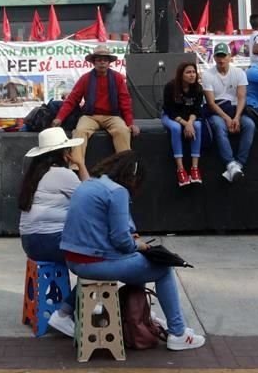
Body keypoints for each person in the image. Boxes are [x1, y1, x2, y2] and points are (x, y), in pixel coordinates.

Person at [60, 151, 206, 350]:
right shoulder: (117, 191)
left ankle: (63, 312)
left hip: (74, 261)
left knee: (138, 264)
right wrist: (139, 245)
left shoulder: (88, 184)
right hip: (95, 264)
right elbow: (122, 240)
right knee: (163, 270)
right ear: (134, 177)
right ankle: (178, 333)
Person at [18, 127, 88, 337]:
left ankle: (79, 306)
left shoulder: (35, 174)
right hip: (49, 242)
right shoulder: (63, 174)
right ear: (64, 153)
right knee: (98, 264)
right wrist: (81, 164)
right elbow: (92, 196)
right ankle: (65, 313)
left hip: (30, 242)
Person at [51, 44, 138, 165]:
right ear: (94, 62)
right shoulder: (85, 78)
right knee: (79, 131)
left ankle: (125, 167)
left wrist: (130, 123)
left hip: (112, 116)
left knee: (123, 131)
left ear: (109, 62)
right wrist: (59, 118)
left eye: (105, 60)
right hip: (90, 116)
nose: (102, 62)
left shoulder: (117, 78)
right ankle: (76, 167)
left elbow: (125, 101)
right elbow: (72, 100)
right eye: (99, 59)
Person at [202, 42, 255, 182]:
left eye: (223, 56)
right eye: (218, 56)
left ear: (229, 57)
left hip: (234, 109)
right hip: (218, 111)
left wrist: (236, 117)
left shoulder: (239, 73)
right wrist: (227, 118)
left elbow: (241, 97)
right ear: (214, 58)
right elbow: (211, 102)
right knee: (219, 126)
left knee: (249, 125)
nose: (221, 59)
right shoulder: (207, 75)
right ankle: (230, 163)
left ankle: (238, 164)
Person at [160, 62, 205, 187]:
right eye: (188, 72)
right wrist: (185, 124)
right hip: (170, 116)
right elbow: (170, 111)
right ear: (181, 75)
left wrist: (190, 123)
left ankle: (194, 168)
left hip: (189, 117)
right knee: (176, 128)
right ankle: (180, 169)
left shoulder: (198, 88)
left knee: (198, 126)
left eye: (193, 72)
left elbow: (197, 110)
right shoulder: (170, 87)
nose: (192, 75)